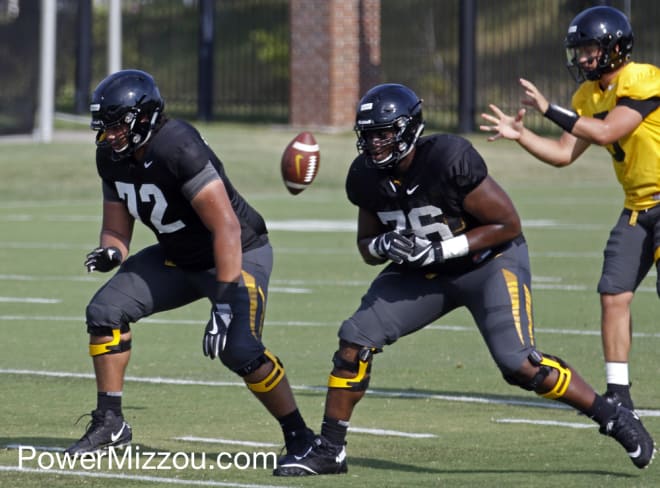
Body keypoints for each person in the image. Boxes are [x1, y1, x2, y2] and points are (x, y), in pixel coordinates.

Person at [273, 83, 656, 476]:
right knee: (354, 339)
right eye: (368, 135)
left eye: (383, 134)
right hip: (423, 274)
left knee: (521, 365)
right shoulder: (366, 178)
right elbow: (366, 247)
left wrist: (441, 250)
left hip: (489, 262)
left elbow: (507, 223)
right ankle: (330, 450)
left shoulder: (448, 158)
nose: (374, 144)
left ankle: (611, 414)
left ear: (408, 130)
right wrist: (386, 243)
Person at [65, 69, 313, 459]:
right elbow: (117, 229)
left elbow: (227, 228)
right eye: (104, 127)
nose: (108, 136)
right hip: (179, 257)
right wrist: (112, 251)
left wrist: (226, 301)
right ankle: (111, 423)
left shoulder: (178, 145)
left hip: (237, 252)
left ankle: (300, 437)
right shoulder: (111, 158)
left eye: (117, 126)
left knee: (239, 349)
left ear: (144, 118)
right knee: (105, 311)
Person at [480, 5, 660, 411]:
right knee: (613, 293)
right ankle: (618, 393)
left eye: (590, 49)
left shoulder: (642, 78)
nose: (582, 58)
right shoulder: (587, 95)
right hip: (637, 207)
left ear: (615, 47)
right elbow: (564, 154)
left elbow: (608, 131)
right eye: (579, 51)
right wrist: (522, 134)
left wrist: (547, 109)